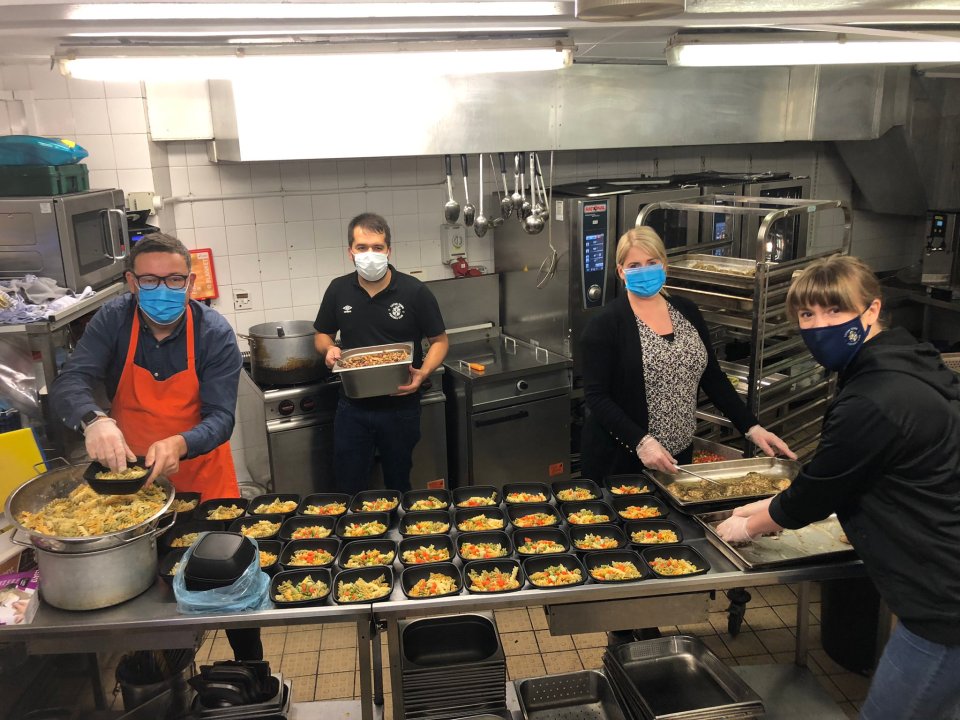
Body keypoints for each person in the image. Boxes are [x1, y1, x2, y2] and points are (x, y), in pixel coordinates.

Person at [717, 255, 960, 720]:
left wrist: (747, 526)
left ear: (871, 310)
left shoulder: (874, 397)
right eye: (807, 314)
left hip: (942, 599)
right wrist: (766, 501)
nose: (818, 325)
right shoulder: (904, 360)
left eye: (834, 311)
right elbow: (850, 470)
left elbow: (819, 492)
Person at [50, 233, 261, 662]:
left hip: (203, 476)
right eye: (149, 280)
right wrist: (95, 420)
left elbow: (221, 419)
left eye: (174, 280)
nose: (161, 290)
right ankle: (167, 669)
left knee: (227, 575)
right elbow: (70, 381)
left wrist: (181, 442)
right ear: (131, 282)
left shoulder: (213, 332)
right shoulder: (113, 320)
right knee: (150, 586)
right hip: (131, 484)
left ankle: (251, 664)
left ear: (190, 281)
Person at [580, 226, 795, 482]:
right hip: (621, 460)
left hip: (679, 457)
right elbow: (597, 397)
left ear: (664, 266)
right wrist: (641, 442)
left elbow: (713, 378)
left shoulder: (687, 311)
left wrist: (751, 427)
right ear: (621, 272)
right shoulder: (605, 324)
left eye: (651, 262)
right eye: (635, 265)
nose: (644, 270)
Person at [314, 213, 448, 494]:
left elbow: (440, 341)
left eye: (377, 247)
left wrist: (423, 373)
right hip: (352, 408)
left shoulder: (414, 291)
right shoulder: (338, 290)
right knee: (350, 486)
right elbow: (322, 334)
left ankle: (402, 537)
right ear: (350, 252)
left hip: (400, 406)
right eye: (362, 247)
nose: (370, 254)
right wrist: (329, 349)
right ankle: (358, 537)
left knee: (399, 484)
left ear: (389, 250)